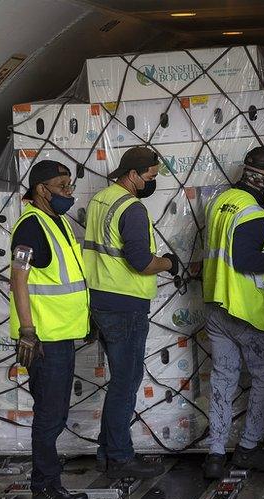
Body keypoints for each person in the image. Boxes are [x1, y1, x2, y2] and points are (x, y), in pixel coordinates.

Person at [83, 146, 179, 479]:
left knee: (120, 380)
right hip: (125, 304)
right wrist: (169, 263)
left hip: (100, 299)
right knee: (126, 382)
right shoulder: (132, 209)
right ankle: (120, 457)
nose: (151, 182)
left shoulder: (100, 199)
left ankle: (106, 451)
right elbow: (141, 262)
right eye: (150, 176)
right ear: (133, 174)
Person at [201, 146, 264, 479]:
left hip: (216, 307)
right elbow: (245, 259)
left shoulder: (222, 203)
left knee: (223, 380)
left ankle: (214, 456)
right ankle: (248, 449)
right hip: (246, 312)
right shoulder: (254, 214)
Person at [9, 160, 90, 499]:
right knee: (49, 415)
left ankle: (50, 485)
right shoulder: (31, 227)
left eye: (70, 185)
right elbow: (18, 280)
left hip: (61, 336)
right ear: (42, 189)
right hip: (43, 341)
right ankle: (44, 490)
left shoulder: (55, 222)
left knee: (54, 413)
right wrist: (27, 331)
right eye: (62, 186)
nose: (69, 192)